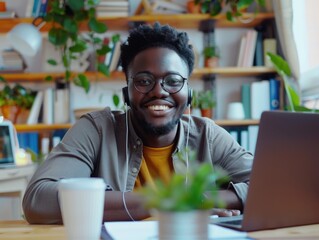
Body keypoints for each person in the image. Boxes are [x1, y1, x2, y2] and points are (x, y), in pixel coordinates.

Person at [23, 22, 253, 224]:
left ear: (189, 94)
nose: (158, 91)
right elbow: (38, 199)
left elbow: (273, 186)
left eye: (173, 81)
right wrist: (164, 201)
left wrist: (198, 200)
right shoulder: (96, 130)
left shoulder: (208, 136)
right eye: (144, 80)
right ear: (126, 93)